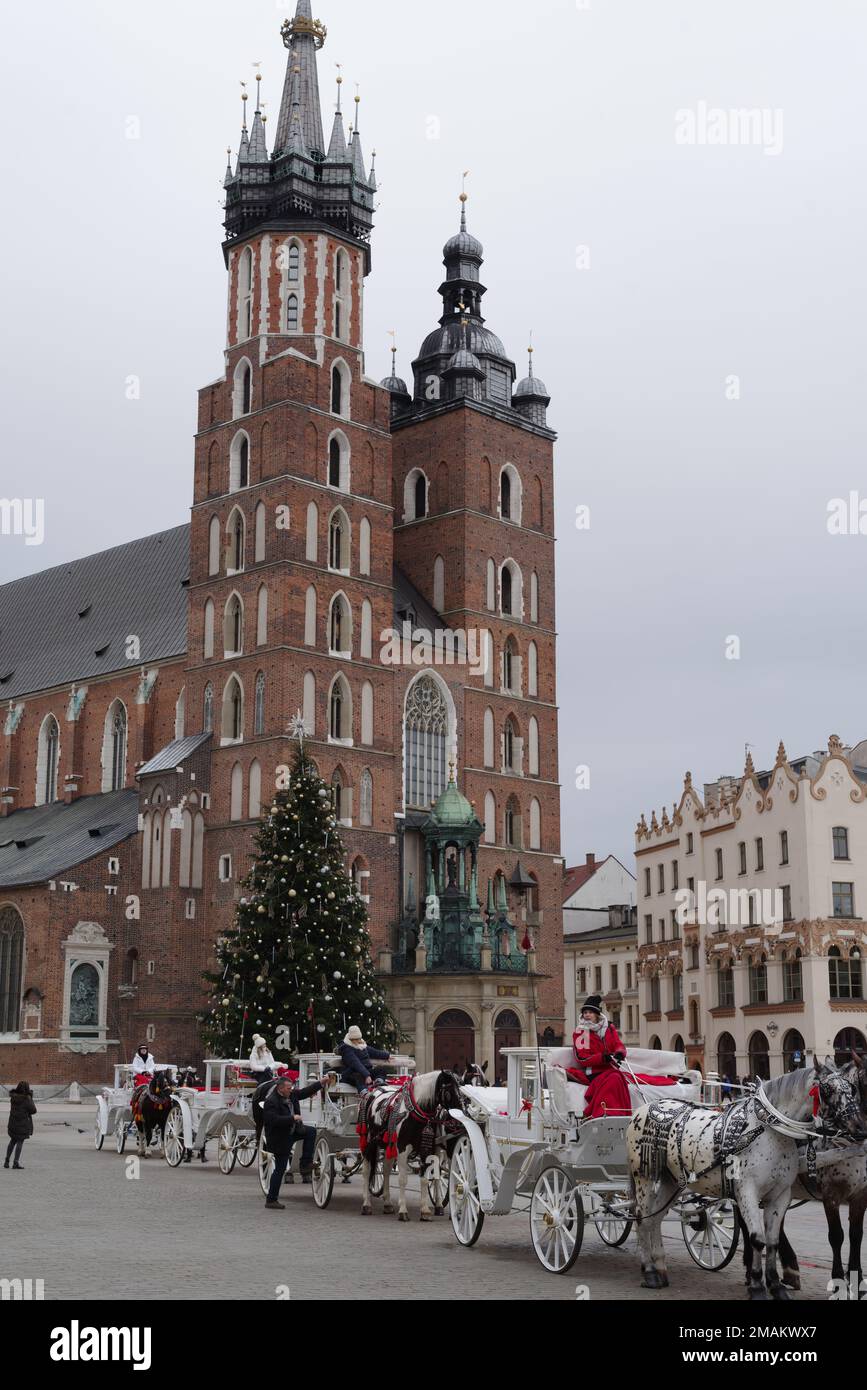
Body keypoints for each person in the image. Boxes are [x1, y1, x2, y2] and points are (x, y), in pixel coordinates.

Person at [566, 995, 678, 1120]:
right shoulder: (582, 1032)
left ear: (597, 1014)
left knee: (621, 1077)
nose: (587, 1015)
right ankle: (606, 1113)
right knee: (615, 1078)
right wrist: (602, 1058)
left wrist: (620, 1053)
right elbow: (582, 1058)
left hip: (609, 1069)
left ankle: (617, 1114)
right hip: (593, 1072)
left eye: (590, 1012)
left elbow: (617, 1044)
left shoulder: (608, 1028)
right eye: (585, 1012)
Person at [262, 1072, 335, 1209]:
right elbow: (273, 1120)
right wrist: (292, 1118)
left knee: (311, 1131)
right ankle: (271, 1200)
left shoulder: (292, 1095)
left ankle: (305, 1163)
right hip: (280, 1138)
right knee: (280, 1169)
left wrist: (321, 1083)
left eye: (291, 1088)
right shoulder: (271, 1102)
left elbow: (305, 1092)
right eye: (288, 1088)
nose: (291, 1090)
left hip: (292, 1131)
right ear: (280, 1088)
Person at [336, 1026, 391, 1094]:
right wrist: (366, 1075)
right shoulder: (346, 1048)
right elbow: (355, 1063)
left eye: (359, 1038)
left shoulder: (361, 1045)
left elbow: (374, 1052)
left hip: (365, 1071)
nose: (358, 1041)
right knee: (358, 1076)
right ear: (350, 1039)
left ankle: (378, 1083)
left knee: (381, 1069)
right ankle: (364, 1093)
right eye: (356, 1039)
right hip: (351, 1073)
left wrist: (387, 1056)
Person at [5, 1082, 36, 1170]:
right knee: (20, 1141)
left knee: (12, 1141)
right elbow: (33, 1110)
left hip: (13, 1123)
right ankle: (15, 1162)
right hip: (22, 1124)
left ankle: (6, 1161)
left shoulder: (13, 1097)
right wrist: (30, 1098)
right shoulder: (26, 1099)